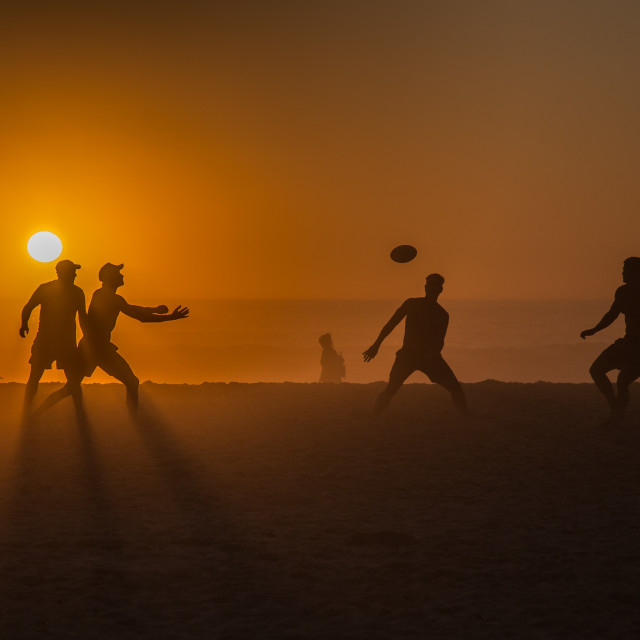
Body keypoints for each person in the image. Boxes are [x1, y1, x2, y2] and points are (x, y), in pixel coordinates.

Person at [41, 263, 189, 417]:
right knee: (131, 382)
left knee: (70, 388)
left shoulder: (102, 294)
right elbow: (139, 317)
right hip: (98, 350)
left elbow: (128, 307)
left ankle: (36, 414)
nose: (122, 276)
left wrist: (154, 309)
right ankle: (134, 419)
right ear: (111, 278)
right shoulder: (110, 297)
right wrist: (171, 317)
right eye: (119, 274)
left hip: (92, 347)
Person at [363, 273, 467, 415]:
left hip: (430, 358)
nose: (431, 288)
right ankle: (374, 416)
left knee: (456, 388)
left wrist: (431, 357)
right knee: (391, 389)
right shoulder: (412, 304)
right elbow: (391, 324)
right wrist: (376, 345)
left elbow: (439, 341)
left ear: (440, 290)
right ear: (425, 287)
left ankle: (467, 416)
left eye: (434, 286)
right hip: (408, 356)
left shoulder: (442, 314)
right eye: (429, 285)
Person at [19, 259, 87, 417]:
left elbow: (82, 317)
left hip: (61, 343)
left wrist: (88, 338)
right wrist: (24, 324)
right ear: (62, 273)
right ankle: (27, 411)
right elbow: (28, 307)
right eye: (73, 271)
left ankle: (79, 412)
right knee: (35, 377)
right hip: (50, 341)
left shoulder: (75, 292)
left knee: (71, 381)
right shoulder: (51, 289)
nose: (75, 274)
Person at [581, 257, 640, 425]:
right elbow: (612, 315)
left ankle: (616, 410)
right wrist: (594, 330)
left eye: (626, 270)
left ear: (635, 272)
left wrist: (593, 330)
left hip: (631, 345)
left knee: (597, 370)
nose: (622, 272)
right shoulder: (624, 291)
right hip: (631, 344)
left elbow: (611, 315)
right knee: (623, 381)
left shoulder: (625, 292)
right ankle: (617, 413)